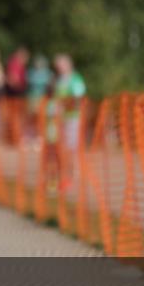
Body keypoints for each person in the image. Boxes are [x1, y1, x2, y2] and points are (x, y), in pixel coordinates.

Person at [48, 53, 86, 192]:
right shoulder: (59, 81)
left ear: (68, 65)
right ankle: (64, 176)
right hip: (61, 120)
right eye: (57, 66)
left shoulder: (76, 80)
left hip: (73, 118)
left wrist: (64, 105)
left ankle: (74, 176)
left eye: (61, 65)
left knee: (72, 148)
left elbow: (78, 99)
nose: (59, 68)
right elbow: (56, 98)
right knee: (61, 148)